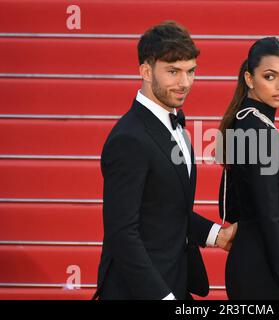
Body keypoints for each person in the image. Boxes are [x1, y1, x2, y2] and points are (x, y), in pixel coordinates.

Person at [94, 21, 236, 300]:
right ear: (146, 71)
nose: (184, 83)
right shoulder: (129, 139)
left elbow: (165, 208)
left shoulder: (176, 127)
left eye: (190, 71)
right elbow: (122, 235)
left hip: (175, 281)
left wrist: (216, 235)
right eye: (173, 71)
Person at [218, 37, 279, 300]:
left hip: (257, 260)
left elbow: (233, 205)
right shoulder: (258, 131)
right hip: (266, 271)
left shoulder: (246, 123)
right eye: (270, 76)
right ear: (249, 78)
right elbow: (268, 217)